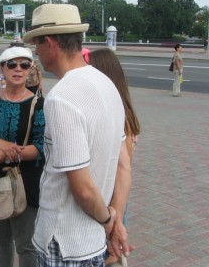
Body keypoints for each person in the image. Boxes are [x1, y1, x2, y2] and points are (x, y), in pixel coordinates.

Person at [24, 4, 131, 267]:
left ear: (50, 43)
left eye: (36, 45)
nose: (35, 53)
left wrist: (108, 221)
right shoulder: (107, 84)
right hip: (91, 239)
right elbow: (123, 164)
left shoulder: (62, 97)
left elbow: (82, 188)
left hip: (63, 242)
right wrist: (114, 219)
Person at [0, 47, 46, 267]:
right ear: (1, 68)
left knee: (26, 244)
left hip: (25, 182)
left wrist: (7, 155)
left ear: (30, 68)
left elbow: (40, 147)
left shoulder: (38, 104)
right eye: (12, 64)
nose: (18, 69)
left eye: (25, 64)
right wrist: (4, 148)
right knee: (1, 240)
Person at [88, 48, 141, 266]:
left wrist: (114, 217)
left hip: (111, 202)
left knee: (110, 257)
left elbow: (122, 168)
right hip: (109, 202)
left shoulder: (119, 115)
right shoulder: (114, 109)